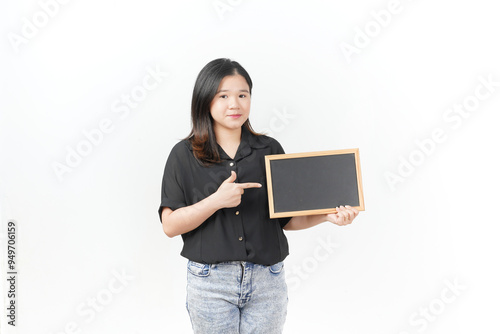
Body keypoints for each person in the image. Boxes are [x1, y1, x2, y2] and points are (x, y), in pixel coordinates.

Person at [158, 58, 359, 333]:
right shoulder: (184, 154)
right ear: (205, 99)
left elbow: (286, 220)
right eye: (224, 96)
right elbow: (169, 225)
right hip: (210, 283)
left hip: (268, 280)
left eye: (243, 95)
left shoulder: (270, 149)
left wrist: (327, 215)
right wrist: (216, 201)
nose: (235, 104)